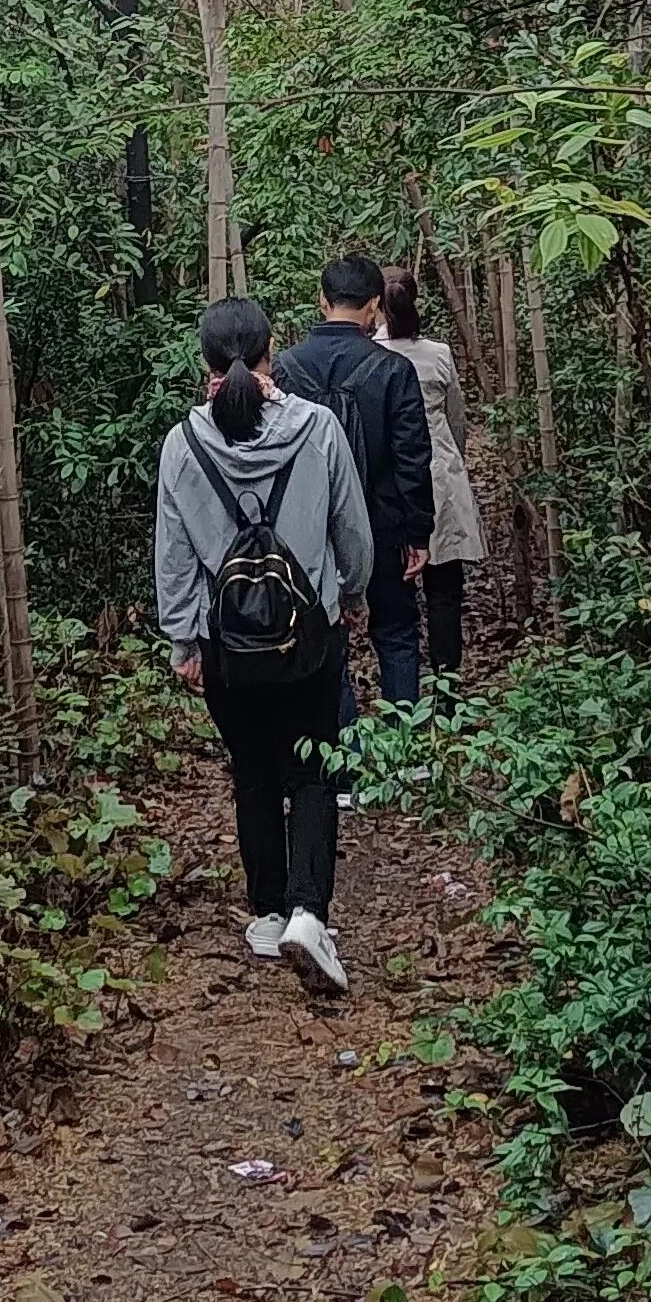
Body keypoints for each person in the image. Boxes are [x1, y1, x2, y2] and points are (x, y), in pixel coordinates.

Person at [153, 294, 374, 997]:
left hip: (226, 646)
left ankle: (266, 911)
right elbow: (352, 532)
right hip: (310, 636)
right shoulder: (318, 428)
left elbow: (175, 556)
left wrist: (184, 640)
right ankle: (310, 913)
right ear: (271, 350)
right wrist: (353, 595)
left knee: (252, 770)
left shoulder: (182, 445)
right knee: (312, 768)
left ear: (205, 360)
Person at [274, 245, 435, 717]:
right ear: (374, 307)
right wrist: (418, 532)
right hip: (382, 524)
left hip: (308, 532)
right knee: (398, 633)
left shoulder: (285, 368)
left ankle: (337, 771)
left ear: (322, 302)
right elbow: (412, 459)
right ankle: (405, 759)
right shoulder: (394, 370)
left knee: (325, 645)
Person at [377, 267, 484, 693]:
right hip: (440, 476)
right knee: (444, 593)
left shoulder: (372, 354)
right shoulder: (437, 354)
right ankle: (447, 688)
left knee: (397, 594)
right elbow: (456, 420)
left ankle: (403, 691)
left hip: (391, 481)